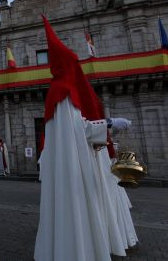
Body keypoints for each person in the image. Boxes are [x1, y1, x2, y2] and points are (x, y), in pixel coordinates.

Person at [34, 16, 132, 261]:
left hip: (68, 168)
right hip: (74, 170)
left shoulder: (57, 92)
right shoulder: (64, 92)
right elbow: (80, 131)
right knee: (76, 210)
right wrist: (109, 124)